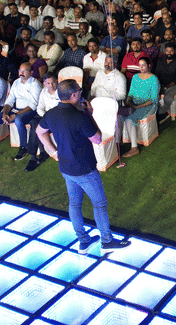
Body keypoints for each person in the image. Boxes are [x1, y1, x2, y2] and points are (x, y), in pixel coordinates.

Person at [35, 79, 129, 253]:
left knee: (75, 204)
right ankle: (107, 241)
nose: (80, 93)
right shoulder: (79, 117)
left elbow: (39, 132)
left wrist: (53, 152)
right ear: (73, 95)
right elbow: (98, 138)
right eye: (78, 91)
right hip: (85, 169)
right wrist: (89, 114)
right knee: (99, 204)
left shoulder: (51, 114)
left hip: (66, 167)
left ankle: (83, 241)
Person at [119, 57, 159, 159]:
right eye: (139, 65)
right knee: (119, 113)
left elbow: (153, 99)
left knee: (129, 118)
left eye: (144, 65)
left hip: (148, 105)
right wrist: (128, 101)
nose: (141, 67)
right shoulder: (135, 77)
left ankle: (134, 148)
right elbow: (131, 92)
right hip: (134, 103)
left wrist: (138, 106)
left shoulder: (154, 79)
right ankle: (118, 142)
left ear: (149, 66)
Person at [24, 73, 59, 173]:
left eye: (53, 82)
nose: (51, 85)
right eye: (48, 83)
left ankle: (33, 157)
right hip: (45, 115)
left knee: (35, 124)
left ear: (56, 81)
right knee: (34, 122)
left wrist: (49, 118)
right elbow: (39, 107)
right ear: (44, 83)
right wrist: (45, 117)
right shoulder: (44, 91)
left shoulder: (60, 91)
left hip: (56, 117)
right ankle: (39, 153)